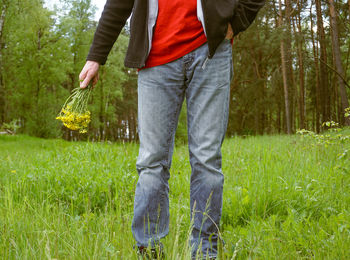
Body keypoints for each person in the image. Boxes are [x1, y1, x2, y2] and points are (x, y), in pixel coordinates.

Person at [79, 0, 265, 258]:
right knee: (151, 162)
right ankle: (148, 250)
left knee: (207, 160)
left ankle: (204, 252)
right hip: (156, 57)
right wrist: (96, 56)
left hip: (210, 50)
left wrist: (237, 21)